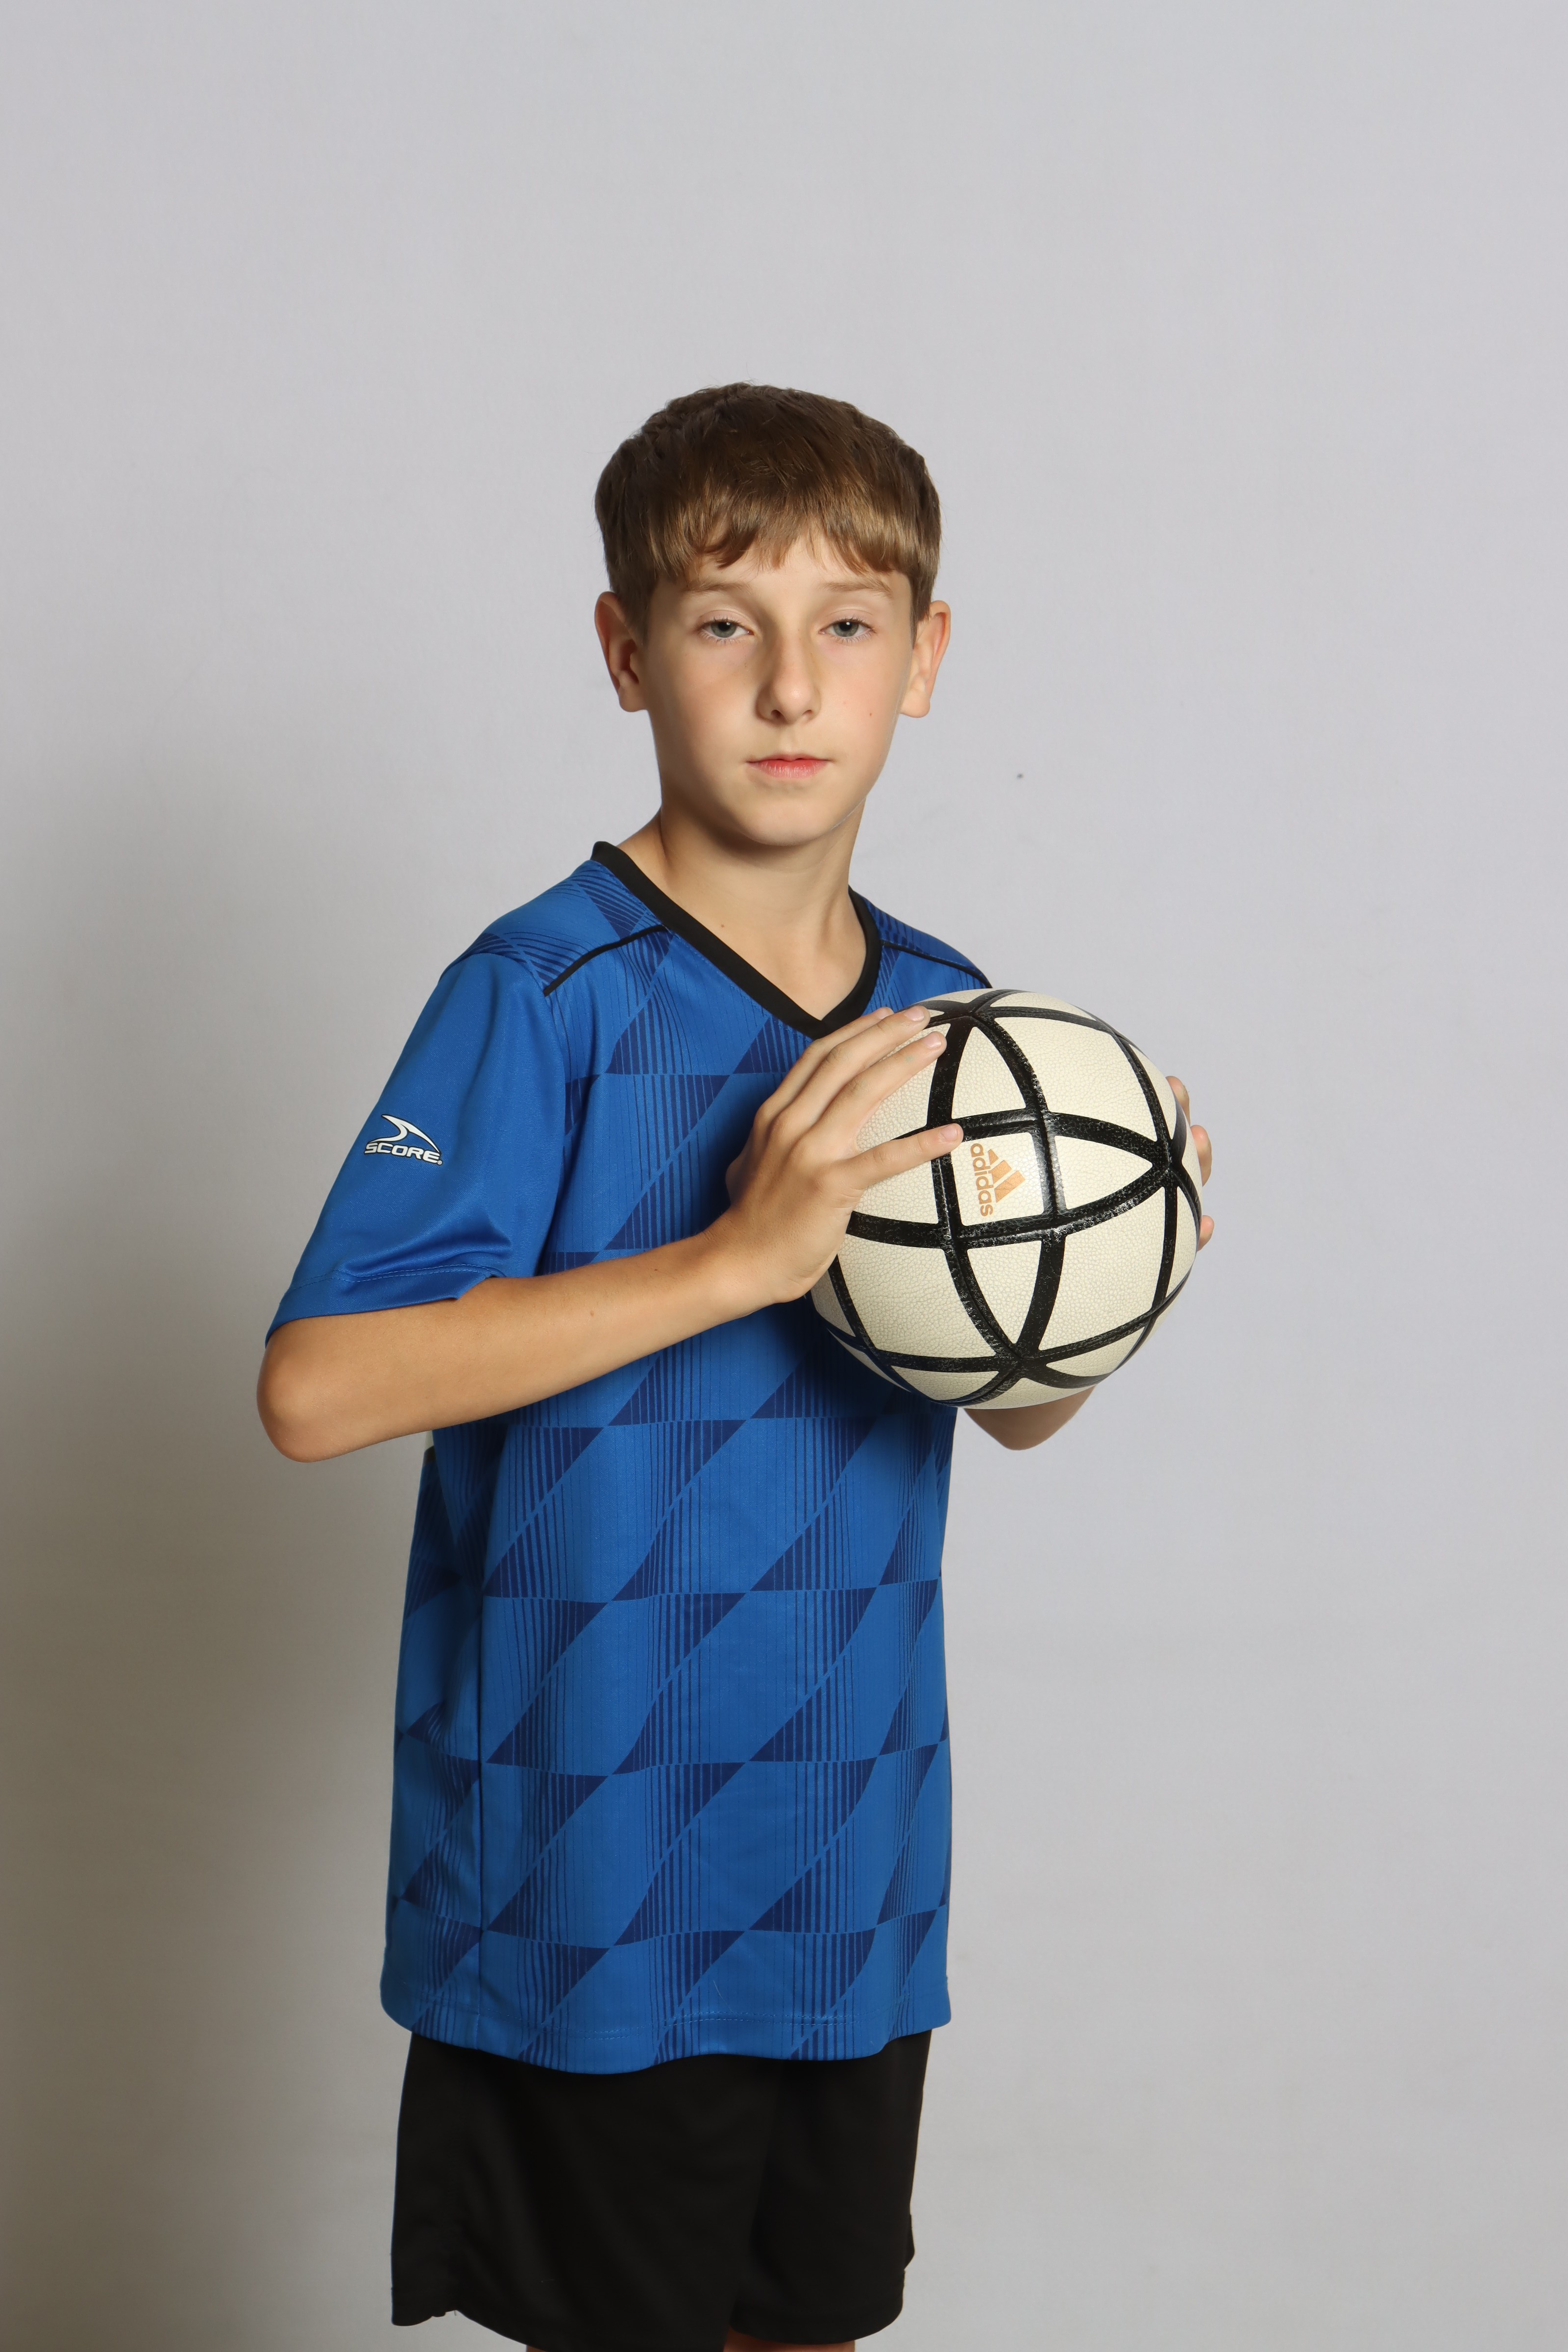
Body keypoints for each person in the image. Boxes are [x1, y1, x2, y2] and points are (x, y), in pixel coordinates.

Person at [258, 383, 1212, 2352]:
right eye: (723, 623)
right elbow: (318, 1388)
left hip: (846, 1857)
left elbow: (1011, 1406)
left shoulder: (947, 1025)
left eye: (847, 624)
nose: (790, 684)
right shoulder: (540, 991)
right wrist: (732, 1262)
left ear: (921, 661)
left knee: (809, 2330)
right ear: (627, 653)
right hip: (591, 1865)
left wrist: (1116, 1276)